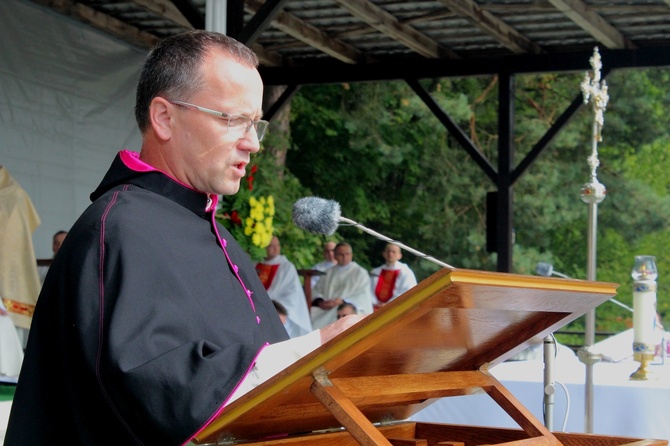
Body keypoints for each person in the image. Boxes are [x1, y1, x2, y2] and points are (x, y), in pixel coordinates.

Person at [5, 30, 364, 446]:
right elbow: (162, 392)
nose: (252, 143)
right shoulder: (120, 229)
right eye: (232, 119)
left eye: (255, 124)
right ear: (164, 118)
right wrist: (318, 348)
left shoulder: (211, 231)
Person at [256, 236, 312, 338]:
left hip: (279, 309)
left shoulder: (286, 267)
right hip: (257, 308)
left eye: (277, 245)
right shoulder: (255, 264)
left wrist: (273, 306)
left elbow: (292, 293)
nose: (275, 248)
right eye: (271, 246)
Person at [310, 242, 374, 329]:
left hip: (348, 307)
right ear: (335, 255)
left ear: (351, 255)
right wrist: (321, 302)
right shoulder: (328, 273)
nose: (344, 257)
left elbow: (362, 295)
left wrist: (343, 301)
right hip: (327, 308)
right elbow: (317, 291)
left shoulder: (360, 273)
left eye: (347, 254)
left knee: (342, 313)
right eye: (341, 254)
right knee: (310, 314)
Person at [369, 243, 418, 309]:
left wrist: (388, 304)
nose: (390, 254)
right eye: (388, 251)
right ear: (384, 254)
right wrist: (375, 302)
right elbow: (368, 290)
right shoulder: (375, 272)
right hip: (373, 308)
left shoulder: (406, 272)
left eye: (393, 252)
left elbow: (407, 291)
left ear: (399, 255)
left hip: (395, 308)